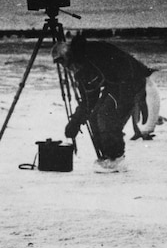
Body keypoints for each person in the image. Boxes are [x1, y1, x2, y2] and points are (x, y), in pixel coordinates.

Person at [52, 35, 154, 173]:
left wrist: (138, 96)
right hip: (115, 84)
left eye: (64, 62)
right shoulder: (82, 65)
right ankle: (107, 156)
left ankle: (116, 157)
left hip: (130, 81)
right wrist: (75, 122)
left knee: (106, 115)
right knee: (95, 117)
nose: (65, 67)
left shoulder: (89, 55)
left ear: (69, 56)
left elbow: (126, 65)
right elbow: (89, 100)